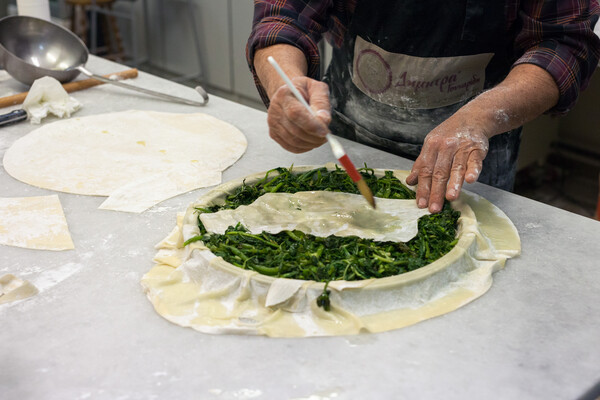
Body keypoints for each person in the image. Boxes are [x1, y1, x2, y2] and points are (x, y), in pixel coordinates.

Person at [246, 0, 600, 213]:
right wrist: (285, 83)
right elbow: (284, 14)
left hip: (471, 154)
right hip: (350, 136)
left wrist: (478, 118)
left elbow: (564, 44)